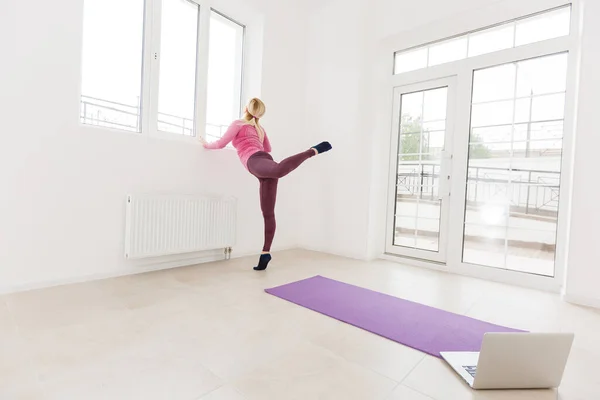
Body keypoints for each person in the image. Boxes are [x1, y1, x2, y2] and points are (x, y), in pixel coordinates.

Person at [200, 98, 332, 271]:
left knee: (277, 172)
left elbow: (221, 143)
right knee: (268, 212)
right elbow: (267, 149)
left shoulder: (238, 124)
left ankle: (312, 151)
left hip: (254, 162)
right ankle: (265, 253)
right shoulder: (260, 129)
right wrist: (255, 138)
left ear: (246, 108)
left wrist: (205, 144)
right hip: (263, 162)